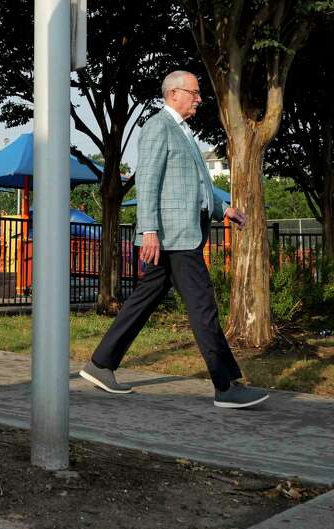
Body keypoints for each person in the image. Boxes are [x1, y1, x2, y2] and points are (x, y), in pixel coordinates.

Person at [79, 70, 269, 409]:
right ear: (173, 94)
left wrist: (222, 210)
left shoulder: (182, 131)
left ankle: (101, 364)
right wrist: (149, 230)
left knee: (145, 299)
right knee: (202, 305)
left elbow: (195, 186)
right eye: (194, 93)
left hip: (182, 233)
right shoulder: (157, 127)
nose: (199, 99)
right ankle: (226, 386)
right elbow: (148, 182)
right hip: (172, 237)